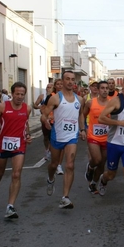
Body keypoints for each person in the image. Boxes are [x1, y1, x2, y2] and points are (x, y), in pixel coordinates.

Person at [97, 75, 124, 223]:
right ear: (123, 85)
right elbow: (101, 118)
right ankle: (103, 180)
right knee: (111, 174)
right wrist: (119, 123)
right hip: (114, 143)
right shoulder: (116, 101)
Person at [41, 71, 86, 209]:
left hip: (72, 136)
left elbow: (81, 115)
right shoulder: (55, 98)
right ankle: (50, 179)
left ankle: (65, 197)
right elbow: (44, 114)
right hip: (57, 136)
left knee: (70, 165)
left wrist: (83, 129)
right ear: (63, 80)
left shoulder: (80, 100)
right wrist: (46, 121)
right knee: (54, 164)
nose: (70, 81)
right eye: (67, 79)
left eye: (72, 79)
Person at [0, 82, 32, 218]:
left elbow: (25, 123)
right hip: (3, 143)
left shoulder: (27, 108)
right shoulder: (2, 106)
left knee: (16, 174)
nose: (19, 96)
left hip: (19, 144)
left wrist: (28, 135)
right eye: (17, 94)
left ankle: (10, 207)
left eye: (22, 94)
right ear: (12, 94)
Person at [83, 81, 109, 194]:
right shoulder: (90, 103)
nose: (105, 90)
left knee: (102, 164)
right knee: (97, 159)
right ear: (98, 90)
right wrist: (83, 129)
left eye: (107, 88)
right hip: (93, 136)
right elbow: (82, 115)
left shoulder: (112, 104)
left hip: (107, 137)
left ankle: (93, 183)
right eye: (102, 88)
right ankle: (90, 166)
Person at [33, 83, 54, 160]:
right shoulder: (42, 96)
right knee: (46, 137)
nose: (48, 88)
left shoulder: (55, 96)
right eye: (47, 87)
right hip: (44, 119)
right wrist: (40, 107)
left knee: (52, 137)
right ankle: (47, 150)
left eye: (50, 87)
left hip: (53, 119)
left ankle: (51, 151)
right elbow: (34, 105)